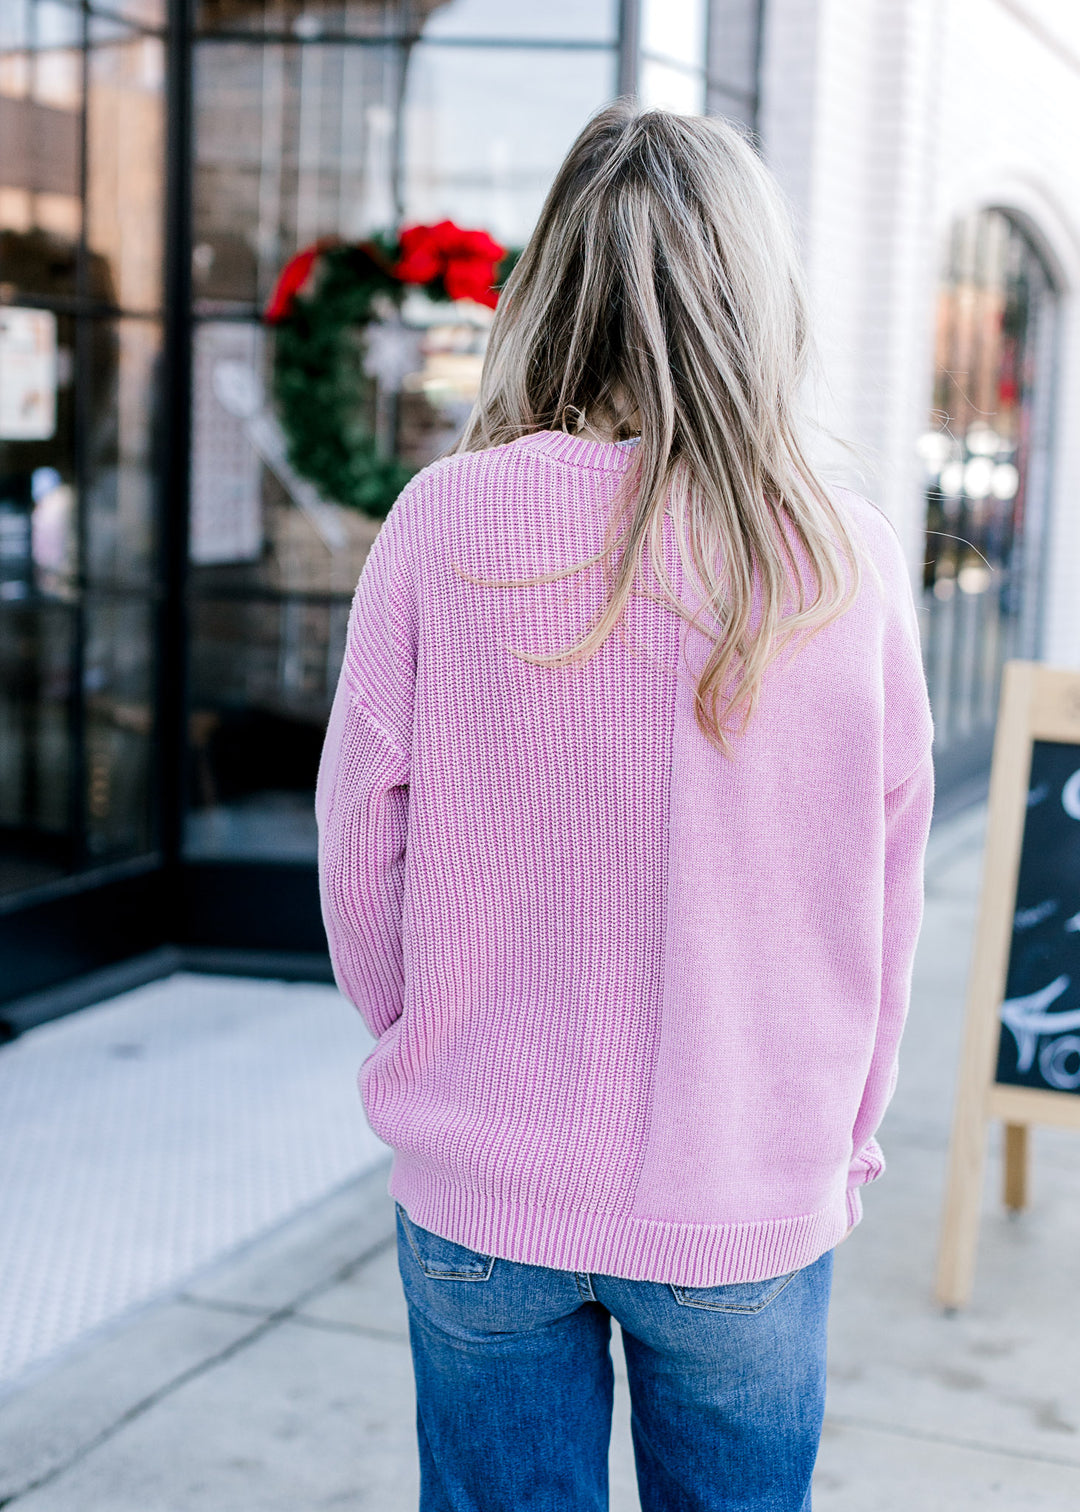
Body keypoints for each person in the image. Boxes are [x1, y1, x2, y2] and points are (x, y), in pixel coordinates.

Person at [316, 101, 933, 1512]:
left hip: (482, 1177)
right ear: (759, 299)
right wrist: (837, 1128)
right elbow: (883, 901)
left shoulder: (442, 523)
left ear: (549, 297)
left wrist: (439, 1042)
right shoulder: (844, 560)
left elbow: (361, 856)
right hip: (749, 1192)